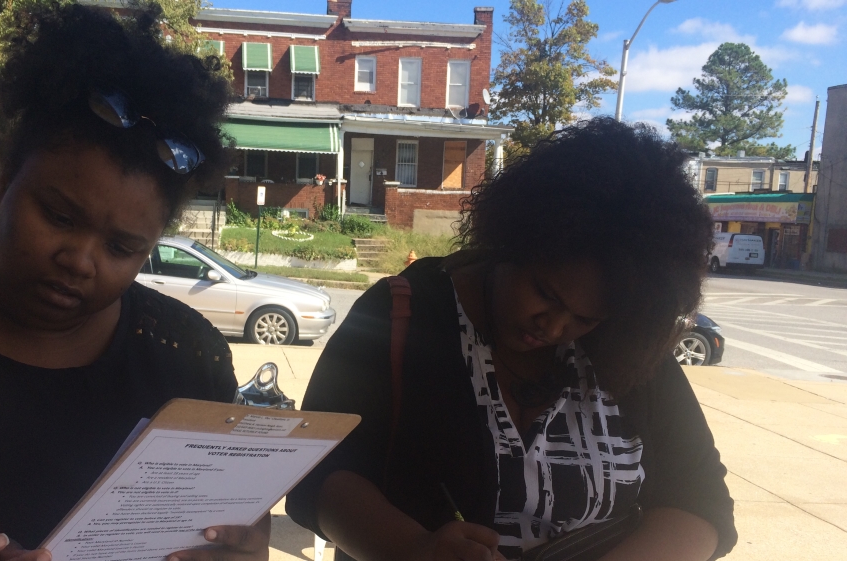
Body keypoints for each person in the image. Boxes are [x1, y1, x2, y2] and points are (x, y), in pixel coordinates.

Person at [0, 5, 269, 561]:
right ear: (4, 179)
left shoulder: (189, 356)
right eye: (59, 216)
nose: (80, 260)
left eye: (121, 248)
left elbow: (229, 529)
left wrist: (242, 548)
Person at [286, 118, 737, 561]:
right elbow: (317, 471)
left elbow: (701, 502)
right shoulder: (402, 314)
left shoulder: (627, 343)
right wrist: (415, 549)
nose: (554, 328)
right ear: (514, 242)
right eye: (545, 293)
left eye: (585, 318)